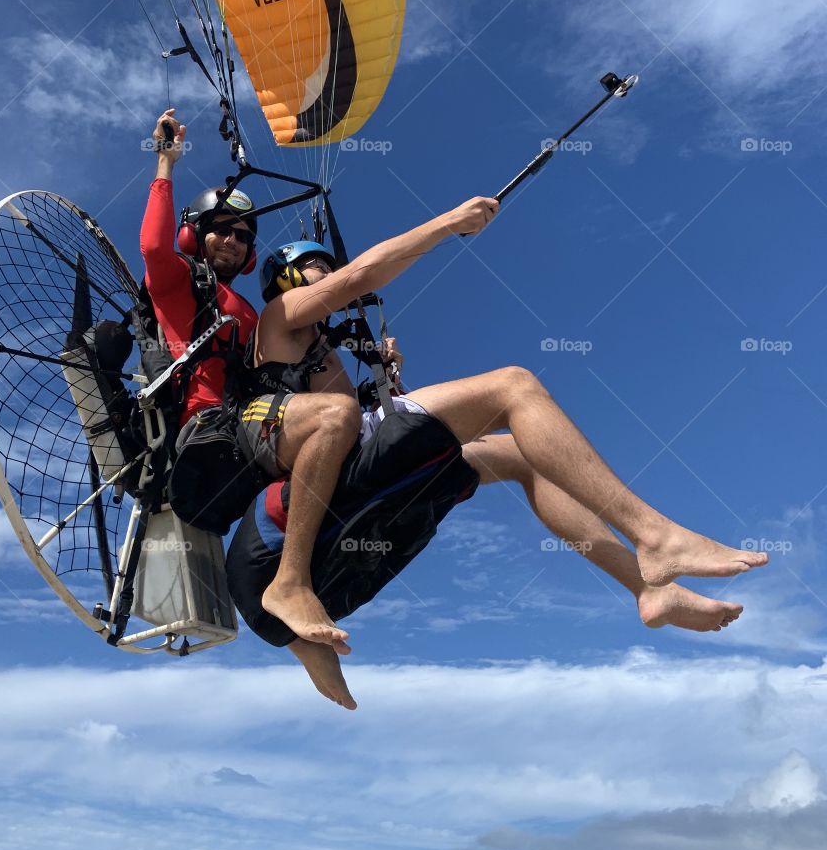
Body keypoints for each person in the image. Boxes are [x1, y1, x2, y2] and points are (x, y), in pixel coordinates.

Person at [228, 196, 768, 708]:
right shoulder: (279, 314)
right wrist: (447, 224)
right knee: (514, 386)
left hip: (347, 478)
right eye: (317, 267)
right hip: (282, 525)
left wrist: (390, 384)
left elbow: (369, 435)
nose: (329, 274)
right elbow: (361, 276)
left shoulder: (324, 355)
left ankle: (649, 591)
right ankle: (656, 535)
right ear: (290, 278)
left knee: (520, 454)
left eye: (327, 267)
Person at [140, 109, 261, 531]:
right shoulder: (179, 280)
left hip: (251, 428)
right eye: (222, 229)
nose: (232, 240)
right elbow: (154, 247)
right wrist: (166, 162)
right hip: (202, 428)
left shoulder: (251, 313)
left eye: (243, 236)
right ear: (193, 235)